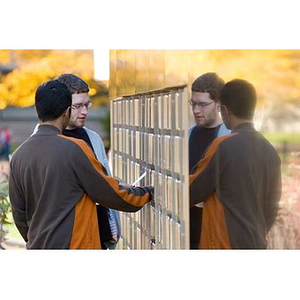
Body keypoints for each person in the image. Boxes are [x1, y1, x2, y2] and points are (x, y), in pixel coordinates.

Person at [9, 79, 154, 249]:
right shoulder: (75, 149)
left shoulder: (19, 155)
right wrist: (148, 192)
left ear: (36, 110)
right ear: (67, 111)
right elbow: (109, 193)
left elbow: (19, 215)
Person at [189, 79, 281, 249]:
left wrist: (153, 190)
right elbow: (272, 207)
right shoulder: (270, 151)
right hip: (256, 244)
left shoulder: (222, 146)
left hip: (224, 245)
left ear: (224, 110)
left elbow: (192, 191)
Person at [32, 73, 120, 250]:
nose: (85, 111)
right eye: (78, 106)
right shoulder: (39, 142)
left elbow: (103, 182)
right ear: (64, 107)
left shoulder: (93, 139)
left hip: (99, 241)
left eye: (87, 104)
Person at [188, 72, 231, 249]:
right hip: (186, 233)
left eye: (203, 104)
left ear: (219, 104)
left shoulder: (229, 138)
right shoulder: (187, 135)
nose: (196, 110)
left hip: (217, 235)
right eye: (193, 103)